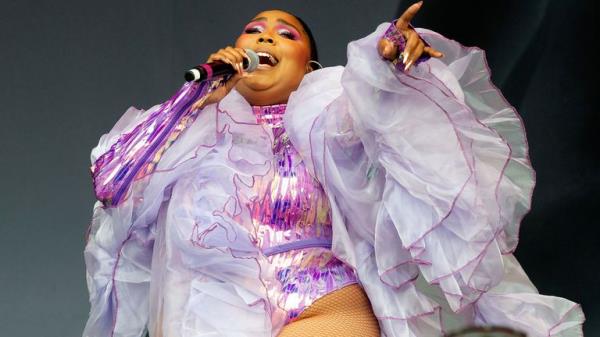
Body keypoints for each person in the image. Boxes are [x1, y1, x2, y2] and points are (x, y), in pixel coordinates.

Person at [83, 3, 585, 337]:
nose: (266, 39)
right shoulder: (193, 125)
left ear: (309, 66)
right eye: (254, 31)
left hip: (323, 299)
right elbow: (115, 184)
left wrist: (390, 64)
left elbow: (390, 121)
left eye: (286, 34)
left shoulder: (330, 113)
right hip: (213, 309)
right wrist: (196, 102)